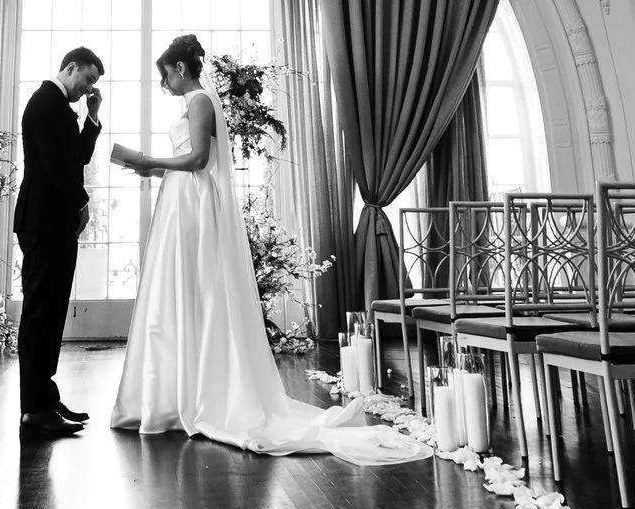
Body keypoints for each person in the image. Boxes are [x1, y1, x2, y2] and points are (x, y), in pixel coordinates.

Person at [107, 33, 428, 463]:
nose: (165, 85)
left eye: (165, 75)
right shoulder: (195, 103)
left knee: (195, 289)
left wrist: (153, 162)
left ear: (180, 68)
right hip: (182, 200)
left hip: (194, 202)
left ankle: (194, 391)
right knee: (182, 291)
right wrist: (154, 168)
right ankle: (177, 388)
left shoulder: (200, 101)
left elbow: (200, 159)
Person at [13, 46, 103, 437]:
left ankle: (45, 398)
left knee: (50, 315)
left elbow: (78, 157)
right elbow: (56, 167)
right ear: (71, 68)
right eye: (87, 80)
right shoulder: (45, 102)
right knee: (39, 316)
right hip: (44, 222)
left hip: (54, 223)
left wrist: (93, 118)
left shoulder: (62, 107)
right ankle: (33, 411)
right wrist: (83, 205)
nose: (87, 89)